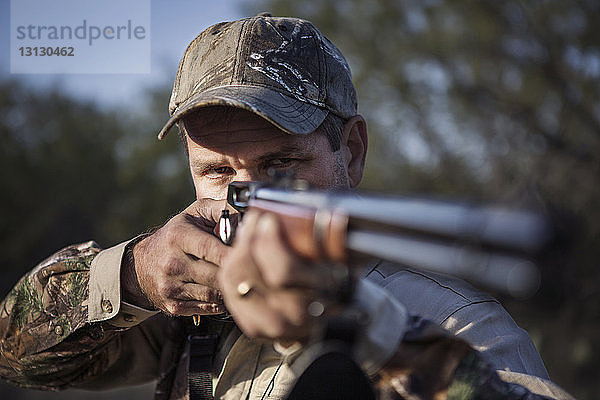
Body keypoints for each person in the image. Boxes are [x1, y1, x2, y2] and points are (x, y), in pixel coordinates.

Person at [0, 13, 574, 400]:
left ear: (350, 149)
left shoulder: (458, 325)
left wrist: (378, 337)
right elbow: (15, 353)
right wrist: (136, 275)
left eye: (281, 166)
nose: (245, 196)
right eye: (216, 171)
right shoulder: (188, 298)